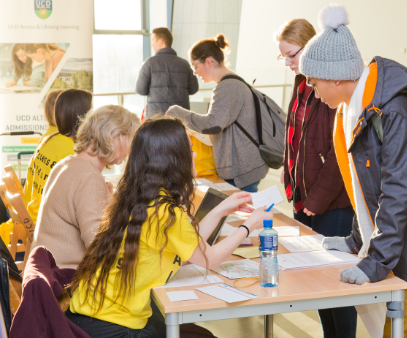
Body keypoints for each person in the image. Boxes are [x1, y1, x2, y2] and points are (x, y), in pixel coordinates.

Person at [302, 4, 407, 337]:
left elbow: (396, 192)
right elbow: (366, 189)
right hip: (404, 240)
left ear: (337, 76)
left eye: (315, 84)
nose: (314, 93)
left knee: (400, 330)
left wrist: (375, 262)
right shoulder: (354, 110)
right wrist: (356, 240)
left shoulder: (392, 112)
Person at [67, 117, 272, 337]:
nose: (194, 155)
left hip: (89, 315)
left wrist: (221, 209)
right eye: (190, 150)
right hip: (114, 327)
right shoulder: (166, 212)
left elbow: (190, 244)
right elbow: (209, 258)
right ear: (173, 159)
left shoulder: (143, 198)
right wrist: (249, 225)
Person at [276, 19, 357, 338]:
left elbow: (339, 156)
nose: (289, 63)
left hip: (330, 206)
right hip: (305, 200)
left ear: (309, 49)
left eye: (292, 55)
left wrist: (315, 201)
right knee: (319, 283)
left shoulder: (325, 88)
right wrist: (291, 184)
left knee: (336, 283)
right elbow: (294, 141)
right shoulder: (300, 85)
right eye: (283, 57)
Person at [33, 105, 140, 269]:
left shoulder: (67, 163)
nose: (131, 148)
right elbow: (100, 247)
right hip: (68, 278)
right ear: (115, 136)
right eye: (131, 138)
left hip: (48, 270)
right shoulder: (88, 177)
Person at [167, 34, 268, 192]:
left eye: (195, 66)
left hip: (242, 169)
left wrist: (177, 112)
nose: (194, 72)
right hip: (245, 165)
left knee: (240, 214)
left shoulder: (228, 86)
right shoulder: (233, 82)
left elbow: (213, 124)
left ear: (209, 62)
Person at [23, 89, 92, 225]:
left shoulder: (49, 139)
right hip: (48, 224)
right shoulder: (72, 151)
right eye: (92, 112)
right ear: (82, 116)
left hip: (34, 215)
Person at [136, 27, 199, 116]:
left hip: (156, 118)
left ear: (160, 42)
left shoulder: (149, 63)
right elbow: (194, 89)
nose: (151, 44)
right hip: (180, 117)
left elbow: (140, 89)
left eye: (153, 40)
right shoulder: (184, 64)